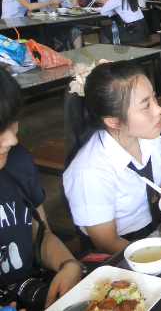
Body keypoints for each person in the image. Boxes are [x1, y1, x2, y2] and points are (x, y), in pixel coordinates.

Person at [62, 61, 161, 255]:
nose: (158, 110)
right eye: (146, 105)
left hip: (160, 229)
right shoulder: (90, 173)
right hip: (122, 250)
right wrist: (154, 257)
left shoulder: (149, 137)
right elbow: (106, 242)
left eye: (154, 98)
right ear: (114, 121)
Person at [0, 68, 83, 310]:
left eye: (12, 122)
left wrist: (68, 264)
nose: (12, 139)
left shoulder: (16, 162)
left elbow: (41, 235)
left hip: (29, 289)